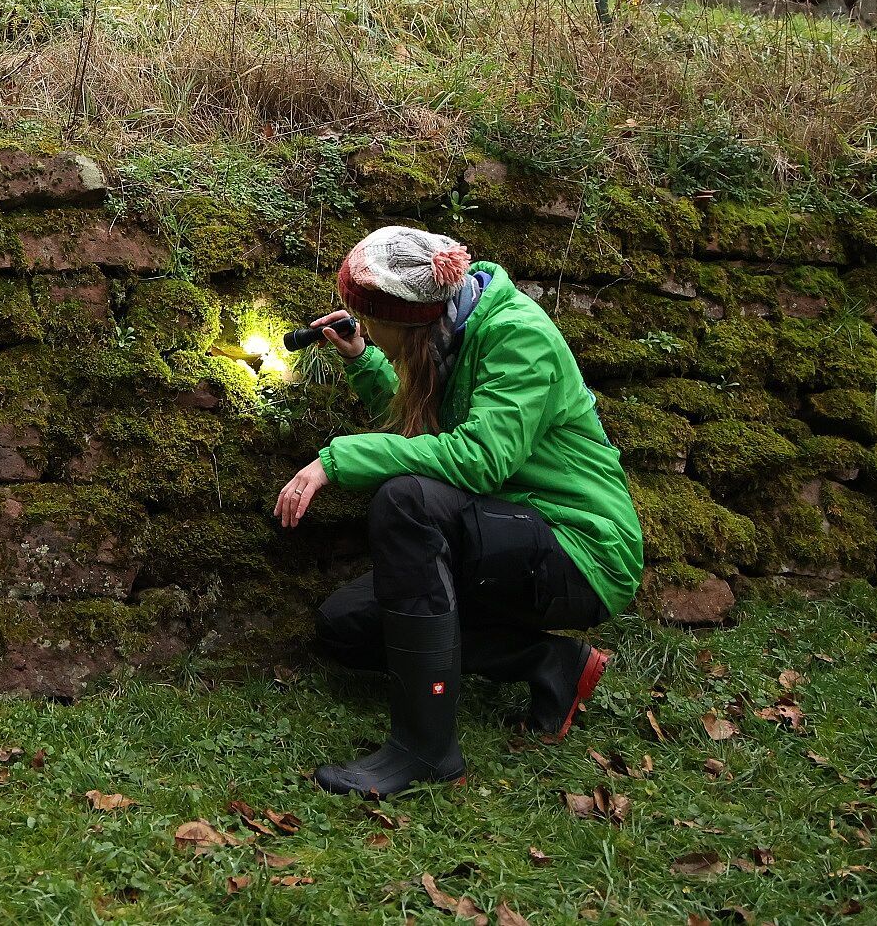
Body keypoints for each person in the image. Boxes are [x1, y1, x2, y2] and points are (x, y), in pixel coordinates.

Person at [275, 226, 644, 798]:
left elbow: (477, 461)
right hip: (504, 532)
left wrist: (337, 460)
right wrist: (364, 360)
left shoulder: (518, 336)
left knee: (405, 501)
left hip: (581, 547)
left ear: (412, 319)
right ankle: (552, 662)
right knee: (346, 627)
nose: (365, 328)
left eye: (371, 320)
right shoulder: (450, 336)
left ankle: (425, 749)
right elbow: (426, 432)